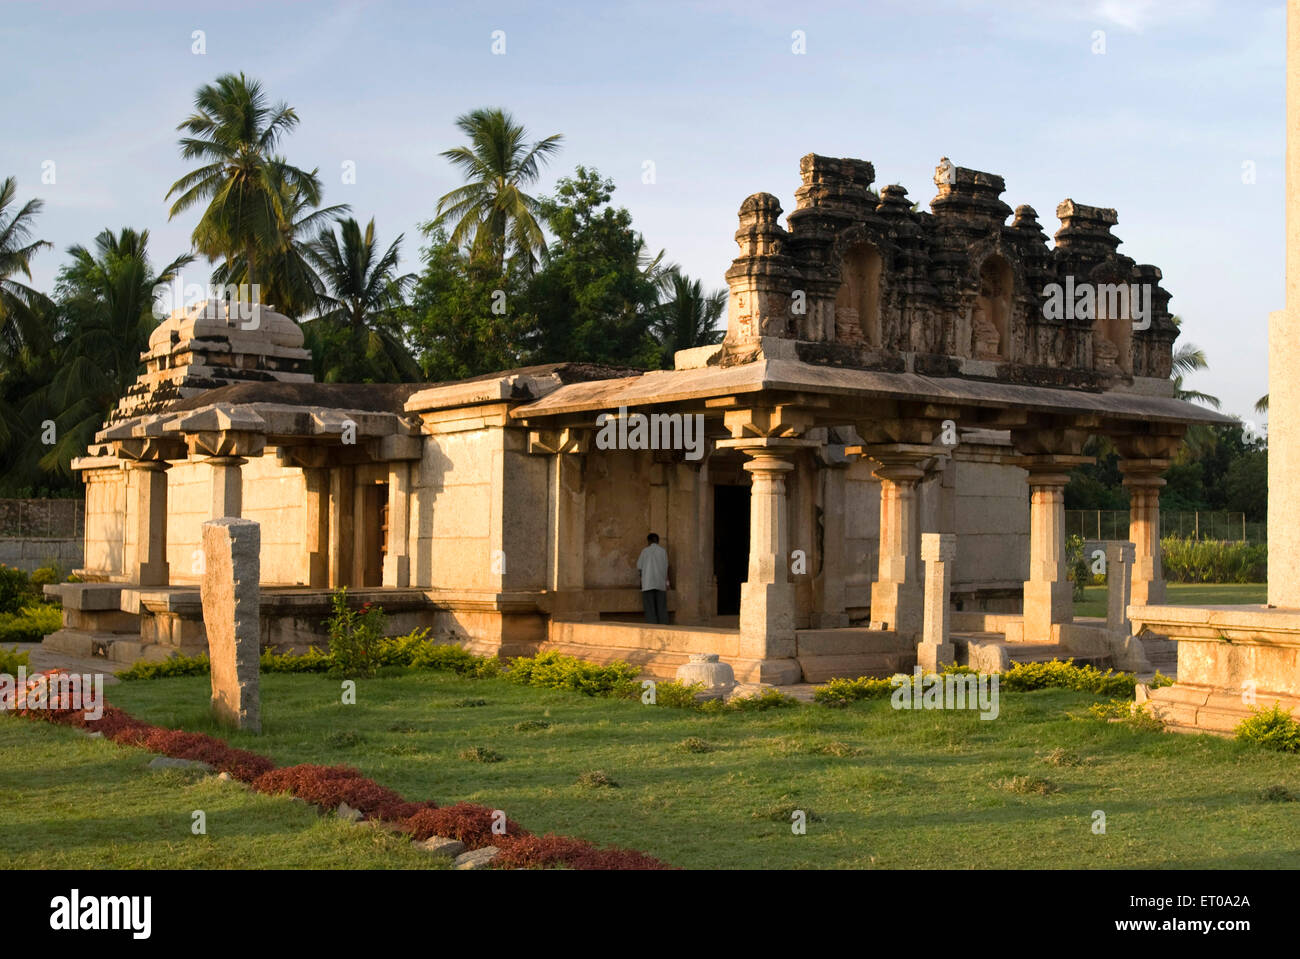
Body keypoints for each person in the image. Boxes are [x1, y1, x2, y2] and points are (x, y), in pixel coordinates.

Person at [637, 532, 670, 624]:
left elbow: (639, 567)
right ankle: (664, 627)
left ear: (649, 541)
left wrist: (641, 583)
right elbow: (666, 568)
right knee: (662, 608)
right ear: (658, 541)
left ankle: (652, 627)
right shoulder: (663, 551)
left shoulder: (645, 551)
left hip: (648, 584)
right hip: (660, 584)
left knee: (650, 609)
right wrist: (667, 584)